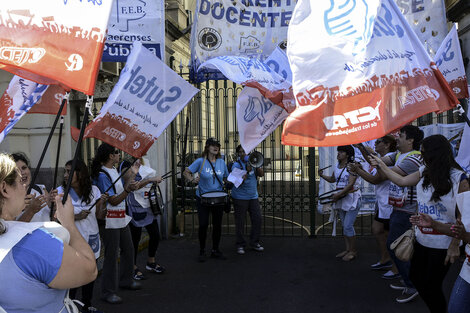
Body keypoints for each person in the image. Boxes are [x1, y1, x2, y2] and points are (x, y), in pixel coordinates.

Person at [370, 134, 469, 312]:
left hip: (443, 244)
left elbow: (463, 217)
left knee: (432, 285)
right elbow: (401, 180)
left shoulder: (460, 179)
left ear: (437, 155)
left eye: (425, 154)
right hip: (422, 239)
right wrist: (382, 165)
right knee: (415, 276)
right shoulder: (424, 170)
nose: (422, 158)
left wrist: (455, 244)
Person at [0, 153, 97, 312]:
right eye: (19, 181)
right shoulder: (33, 242)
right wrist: (69, 224)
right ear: (4, 188)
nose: (24, 185)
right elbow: (90, 270)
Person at [369, 125, 423, 303]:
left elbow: (389, 173)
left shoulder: (414, 158)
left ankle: (411, 284)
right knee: (398, 246)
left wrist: (378, 162)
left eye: (401, 135)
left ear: (411, 140)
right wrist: (366, 151)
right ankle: (408, 280)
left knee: (396, 246)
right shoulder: (398, 155)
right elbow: (380, 161)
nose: (397, 138)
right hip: (398, 209)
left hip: (407, 211)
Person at [91, 143, 140, 304]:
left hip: (119, 217)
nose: (119, 155)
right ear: (111, 156)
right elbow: (113, 199)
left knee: (128, 248)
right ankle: (108, 291)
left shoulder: (113, 170)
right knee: (111, 255)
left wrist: (132, 178)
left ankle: (126, 280)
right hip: (109, 220)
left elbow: (122, 191)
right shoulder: (103, 175)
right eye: (117, 153)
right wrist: (128, 190)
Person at [58, 159, 108, 313]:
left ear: (81, 174)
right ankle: (69, 305)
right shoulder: (61, 191)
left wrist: (103, 204)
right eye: (65, 171)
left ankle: (87, 304)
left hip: (91, 237)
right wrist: (76, 217)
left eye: (70, 171)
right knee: (72, 273)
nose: (66, 175)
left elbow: (100, 216)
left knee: (90, 271)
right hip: (71, 239)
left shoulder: (94, 191)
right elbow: (56, 217)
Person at [350, 136, 400, 279]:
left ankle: (396, 268)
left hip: (389, 203)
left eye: (378, 142)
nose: (375, 144)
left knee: (391, 236)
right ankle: (385, 259)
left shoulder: (391, 158)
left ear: (387, 144)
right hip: (383, 203)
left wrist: (358, 170)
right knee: (377, 230)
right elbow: (371, 160)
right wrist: (361, 148)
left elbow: (376, 179)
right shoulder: (383, 159)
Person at [183, 138, 229, 262]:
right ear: (207, 147)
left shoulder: (221, 162)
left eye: (217, 145)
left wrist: (236, 179)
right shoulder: (200, 161)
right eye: (213, 145)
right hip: (203, 198)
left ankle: (215, 250)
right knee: (203, 225)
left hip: (218, 198)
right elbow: (186, 172)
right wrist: (192, 179)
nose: (216, 147)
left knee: (217, 225)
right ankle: (202, 250)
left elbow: (225, 179)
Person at [120, 158, 165, 281]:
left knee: (155, 235)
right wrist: (150, 179)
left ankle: (151, 261)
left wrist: (154, 182)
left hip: (147, 205)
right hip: (133, 208)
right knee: (135, 239)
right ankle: (133, 267)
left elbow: (147, 183)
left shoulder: (145, 162)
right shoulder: (126, 165)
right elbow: (132, 186)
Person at [319, 145, 361, 261]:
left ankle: (353, 251)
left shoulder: (352, 166)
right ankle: (347, 249)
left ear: (347, 154)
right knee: (344, 226)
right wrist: (322, 175)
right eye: (338, 152)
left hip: (352, 198)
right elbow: (333, 179)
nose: (338, 154)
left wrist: (338, 195)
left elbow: (350, 184)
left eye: (341, 152)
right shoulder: (338, 166)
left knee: (348, 226)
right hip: (341, 199)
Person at [231, 145, 264, 255]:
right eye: (240, 152)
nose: (242, 154)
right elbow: (236, 181)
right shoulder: (236, 165)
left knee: (257, 219)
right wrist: (246, 170)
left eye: (244, 152)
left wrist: (256, 165)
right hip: (240, 197)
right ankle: (240, 244)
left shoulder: (253, 162)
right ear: (238, 154)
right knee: (240, 222)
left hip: (253, 196)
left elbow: (261, 174)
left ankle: (254, 242)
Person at [11, 152, 50, 222]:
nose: (22, 173)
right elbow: (12, 230)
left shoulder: (40, 189)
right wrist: (30, 211)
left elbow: (50, 219)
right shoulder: (7, 199)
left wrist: (54, 207)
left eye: (24, 168)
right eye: (17, 170)